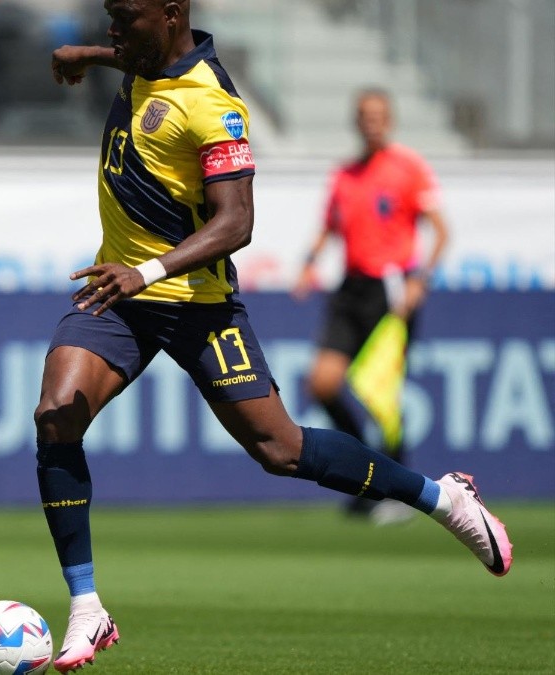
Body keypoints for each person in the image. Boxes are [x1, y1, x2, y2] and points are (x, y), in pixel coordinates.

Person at [38, 1, 508, 672]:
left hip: (193, 302)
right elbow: (140, 56)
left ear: (170, 14)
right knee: (57, 413)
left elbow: (237, 223)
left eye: (125, 17)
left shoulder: (213, 104)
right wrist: (90, 55)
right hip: (121, 300)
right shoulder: (147, 56)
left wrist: (144, 271)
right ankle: (87, 606)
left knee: (281, 449)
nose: (114, 28)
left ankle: (441, 497)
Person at [293, 88, 450, 521]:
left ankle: (400, 493)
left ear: (391, 120)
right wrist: (309, 265)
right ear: (356, 121)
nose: (371, 121)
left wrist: (421, 280)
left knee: (383, 391)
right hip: (350, 288)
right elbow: (328, 226)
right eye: (364, 115)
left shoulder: (408, 168)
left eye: (378, 114)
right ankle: (365, 466)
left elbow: (441, 231)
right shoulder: (345, 174)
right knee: (322, 384)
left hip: (392, 288)